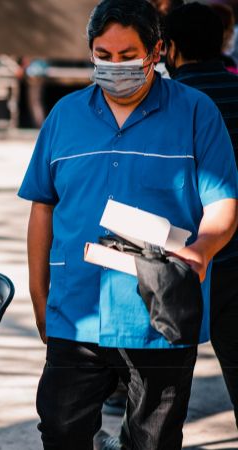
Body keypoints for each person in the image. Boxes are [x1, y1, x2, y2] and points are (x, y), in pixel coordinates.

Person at [18, 0, 238, 449]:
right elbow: (43, 208)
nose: (115, 66)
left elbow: (223, 204)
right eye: (104, 55)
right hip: (76, 311)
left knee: (153, 439)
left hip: (160, 315)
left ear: (156, 51)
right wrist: (40, 298)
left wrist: (202, 250)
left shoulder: (197, 112)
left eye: (127, 55)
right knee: (60, 431)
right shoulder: (64, 116)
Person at [165, 2, 238, 429]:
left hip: (180, 259)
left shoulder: (167, 105)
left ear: (170, 48)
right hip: (234, 257)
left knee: (159, 386)